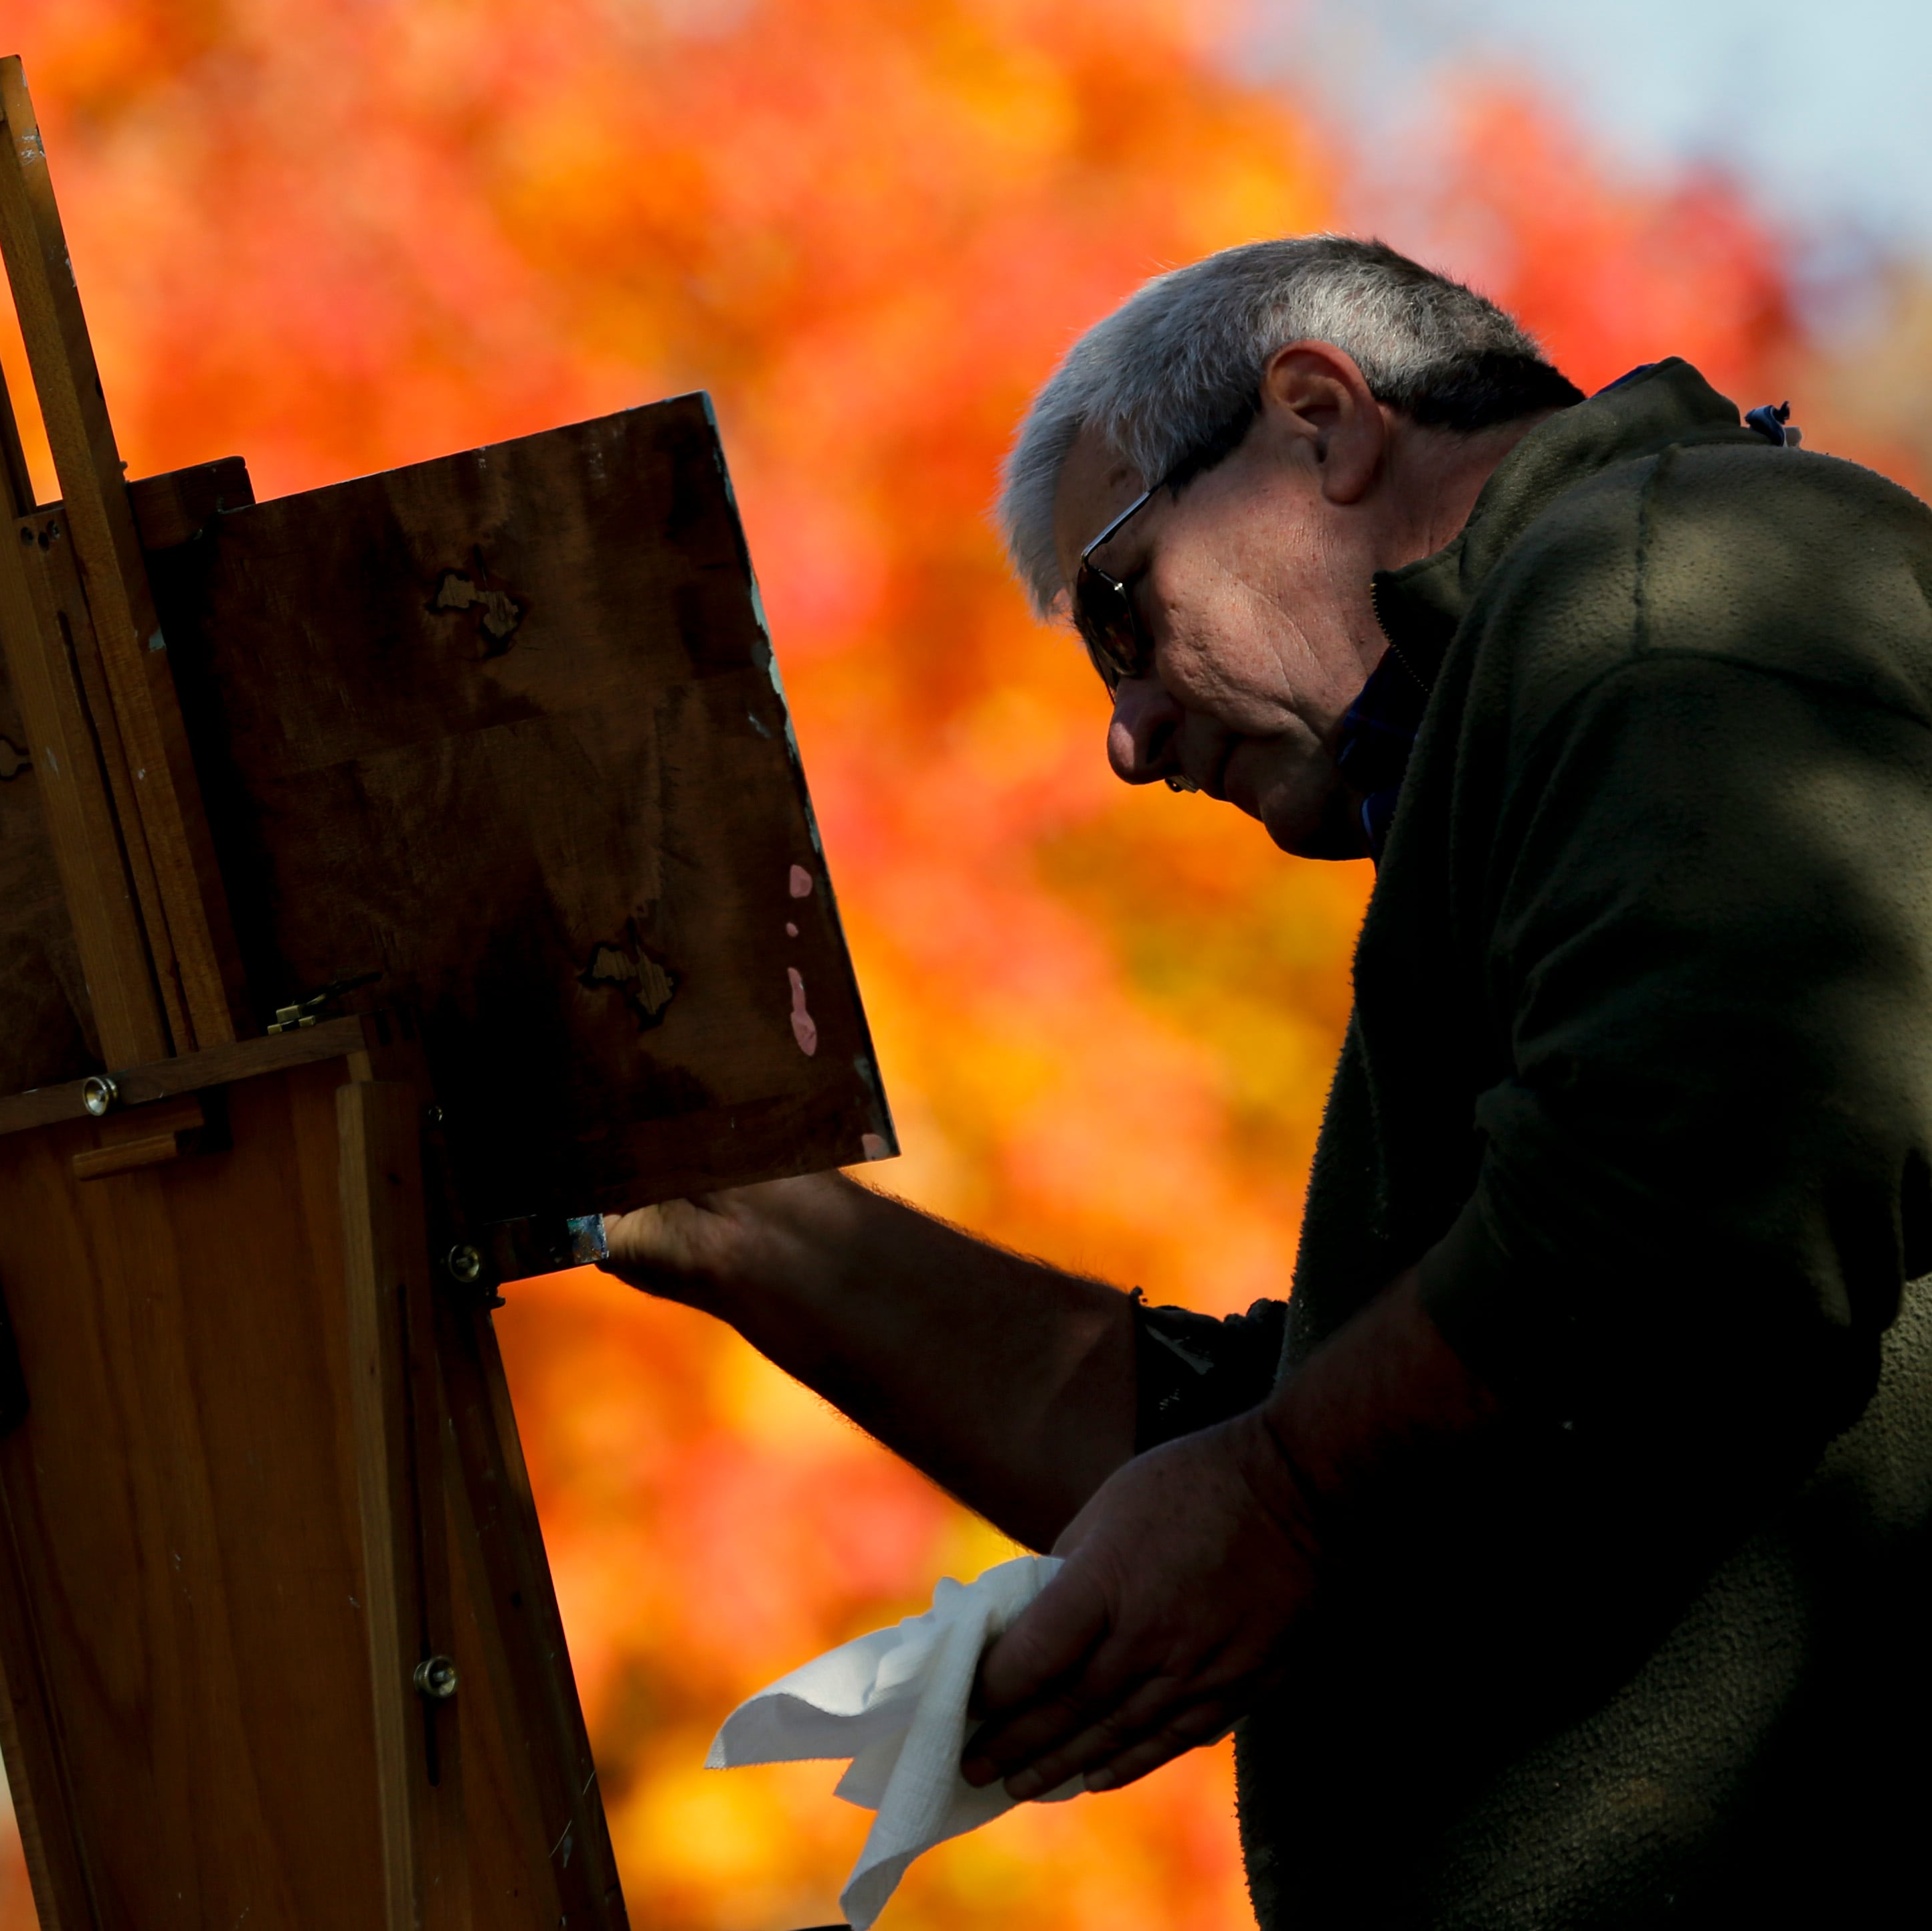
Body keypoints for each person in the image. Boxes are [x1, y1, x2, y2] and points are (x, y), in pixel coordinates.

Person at [604, 236, 1932, 1926]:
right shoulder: (1567, 687)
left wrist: (1289, 1496)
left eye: (1119, 610)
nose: (1128, 736)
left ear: (1318, 421)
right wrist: (732, 1225)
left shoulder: (1687, 580)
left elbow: (1720, 1168)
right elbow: (1344, 1413)